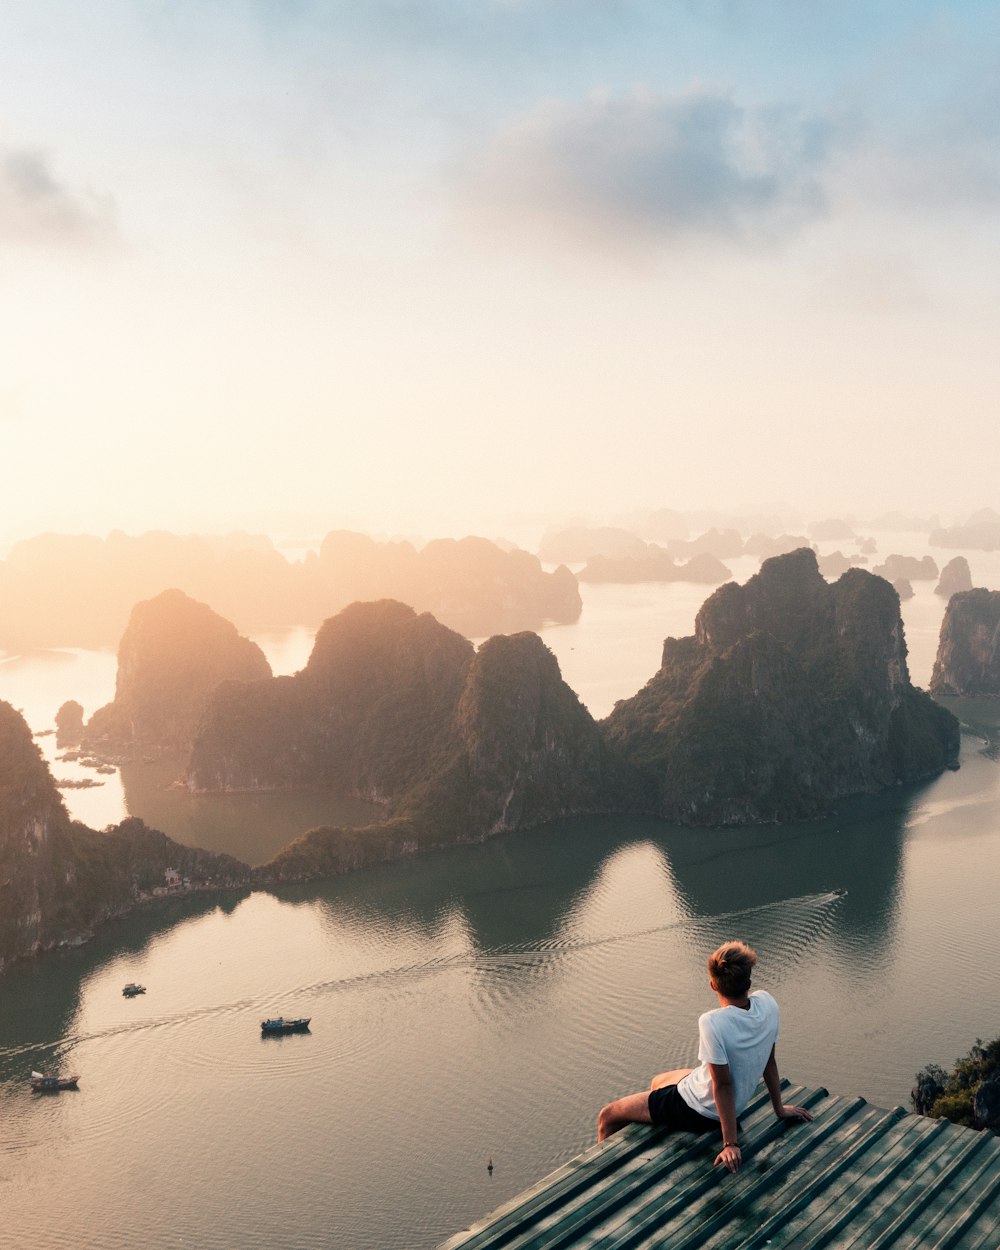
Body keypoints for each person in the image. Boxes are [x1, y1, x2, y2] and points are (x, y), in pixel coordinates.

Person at [596, 940, 813, 1172]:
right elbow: (769, 1061)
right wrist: (779, 1108)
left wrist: (730, 1144)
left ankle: (600, 1174)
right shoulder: (768, 1003)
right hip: (705, 1091)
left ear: (712, 985)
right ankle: (658, 1117)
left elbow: (722, 1084)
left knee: (608, 1115)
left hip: (699, 1109)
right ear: (748, 982)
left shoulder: (712, 1022)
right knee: (659, 1080)